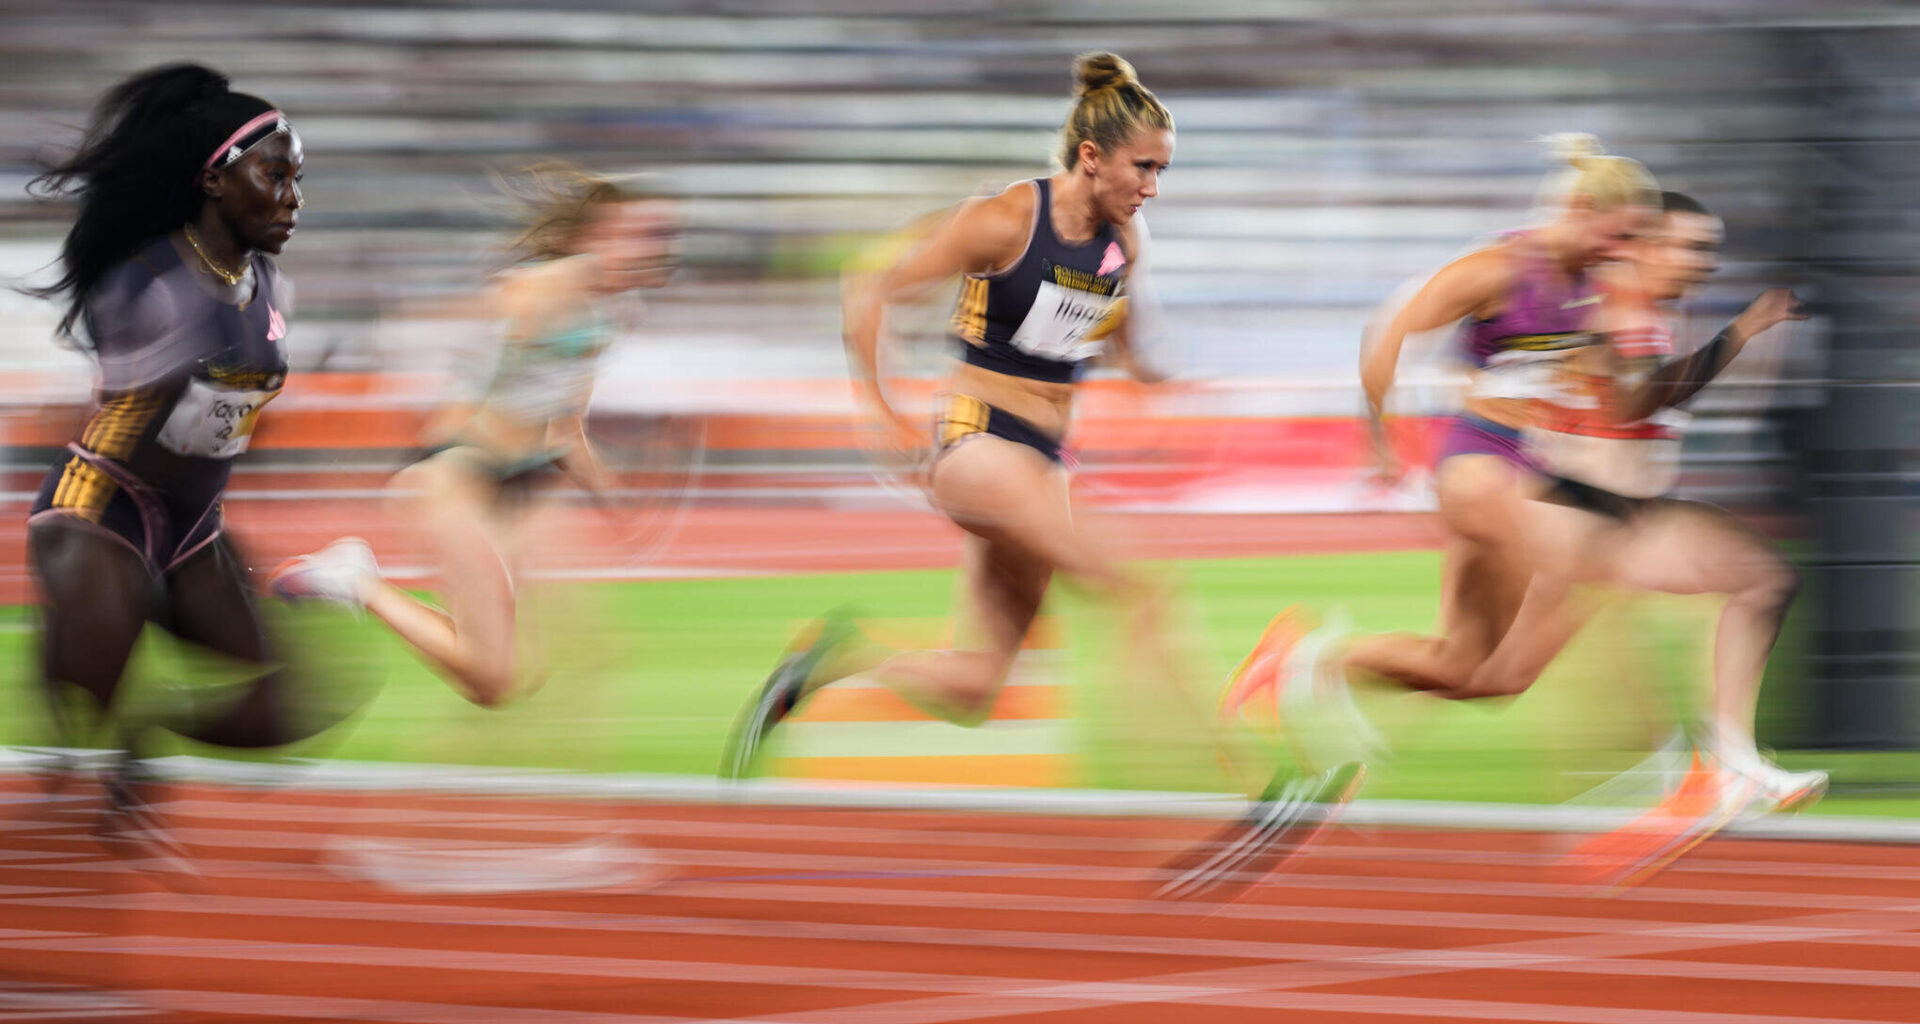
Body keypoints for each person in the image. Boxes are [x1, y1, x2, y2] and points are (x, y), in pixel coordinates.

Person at [722, 51, 1177, 779]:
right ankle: (1216, 793)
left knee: (974, 685)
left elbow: (1116, 328)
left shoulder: (1125, 242)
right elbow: (868, 287)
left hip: (1045, 458)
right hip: (980, 444)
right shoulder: (1000, 220)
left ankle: (834, 660)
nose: (1153, 187)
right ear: (1092, 157)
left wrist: (1150, 371)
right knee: (1138, 591)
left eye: (1161, 172)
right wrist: (882, 415)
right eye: (1143, 168)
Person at [1222, 134, 1660, 770]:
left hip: (1524, 469)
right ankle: (1662, 759)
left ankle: (1302, 660)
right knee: (1589, 566)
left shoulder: (1590, 289)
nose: (1622, 253)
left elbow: (1599, 387)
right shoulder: (1501, 268)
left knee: (1479, 674)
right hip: (1478, 470)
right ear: (1584, 207)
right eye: (1618, 236)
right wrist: (1382, 443)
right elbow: (1388, 332)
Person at [22, 63, 349, 836]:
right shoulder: (150, 282)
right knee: (85, 693)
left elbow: (226, 418)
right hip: (100, 512)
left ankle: (145, 737)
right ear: (213, 180)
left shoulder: (271, 287)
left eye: (299, 179)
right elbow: (131, 380)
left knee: (294, 704)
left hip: (196, 527)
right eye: (275, 175)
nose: (294, 199)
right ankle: (75, 684)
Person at [269, 165, 678, 708]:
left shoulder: (611, 312)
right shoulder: (548, 286)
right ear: (590, 239)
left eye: (662, 236)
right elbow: (493, 315)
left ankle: (359, 583)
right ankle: (355, 581)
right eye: (639, 234)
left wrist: (613, 495)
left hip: (507, 490)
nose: (655, 248)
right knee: (495, 676)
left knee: (507, 673)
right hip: (454, 478)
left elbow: (564, 422)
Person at [1475, 190, 1824, 815]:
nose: (1704, 264)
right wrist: (1741, 331)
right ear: (1642, 245)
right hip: (1578, 513)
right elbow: (1636, 402)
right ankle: (1700, 769)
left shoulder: (1644, 312)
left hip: (1615, 512)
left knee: (1490, 679)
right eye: (1691, 247)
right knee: (1758, 584)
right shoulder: (1609, 307)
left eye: (1710, 250)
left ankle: (1719, 765)